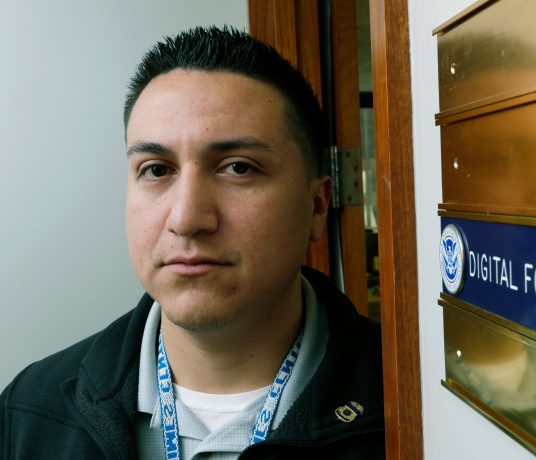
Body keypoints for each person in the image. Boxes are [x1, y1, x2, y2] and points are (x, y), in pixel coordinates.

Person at [0, 26, 384, 459]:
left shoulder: (409, 402)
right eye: (157, 169)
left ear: (317, 206)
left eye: (238, 168)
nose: (186, 219)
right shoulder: (30, 409)